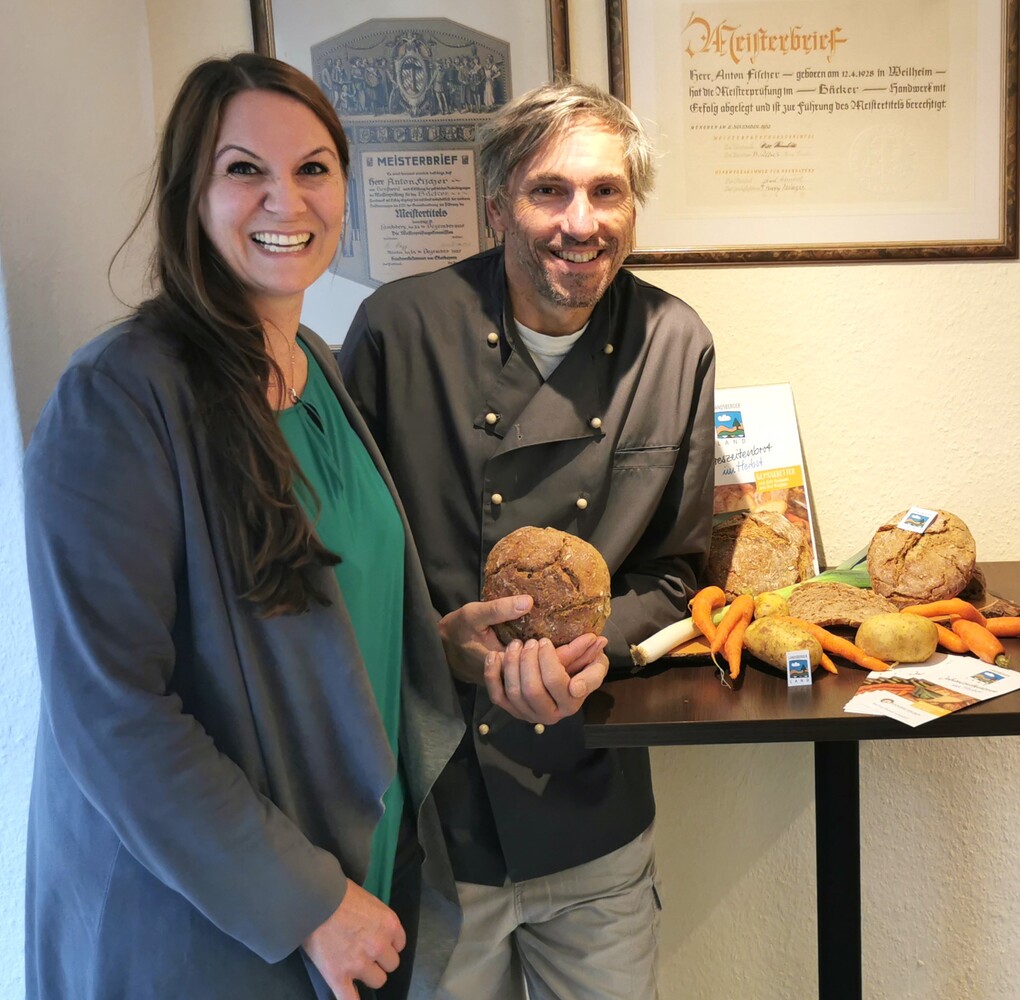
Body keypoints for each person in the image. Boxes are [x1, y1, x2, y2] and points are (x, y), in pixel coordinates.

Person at [22, 53, 544, 1000]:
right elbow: (111, 711)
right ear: (191, 193)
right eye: (243, 170)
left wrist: (440, 647)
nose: (285, 199)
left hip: (351, 888)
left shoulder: (314, 364)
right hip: (210, 926)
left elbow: (306, 625)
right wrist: (306, 903)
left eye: (311, 168)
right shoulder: (121, 395)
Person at [340, 81, 716, 999]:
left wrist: (597, 650)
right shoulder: (399, 329)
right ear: (497, 202)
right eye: (550, 191)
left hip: (590, 797)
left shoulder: (677, 342)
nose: (579, 222)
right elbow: (344, 566)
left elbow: (676, 575)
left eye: (607, 192)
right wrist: (440, 643)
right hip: (434, 810)